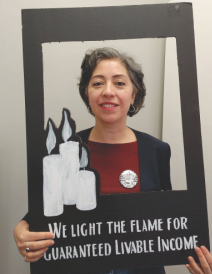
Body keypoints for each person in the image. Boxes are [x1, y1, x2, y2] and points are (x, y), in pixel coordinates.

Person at [14, 47, 171, 273]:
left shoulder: (157, 151)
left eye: (119, 83)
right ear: (87, 93)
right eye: (98, 83)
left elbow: (168, 217)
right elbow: (42, 212)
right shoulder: (64, 150)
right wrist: (21, 229)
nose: (108, 91)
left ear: (134, 94)